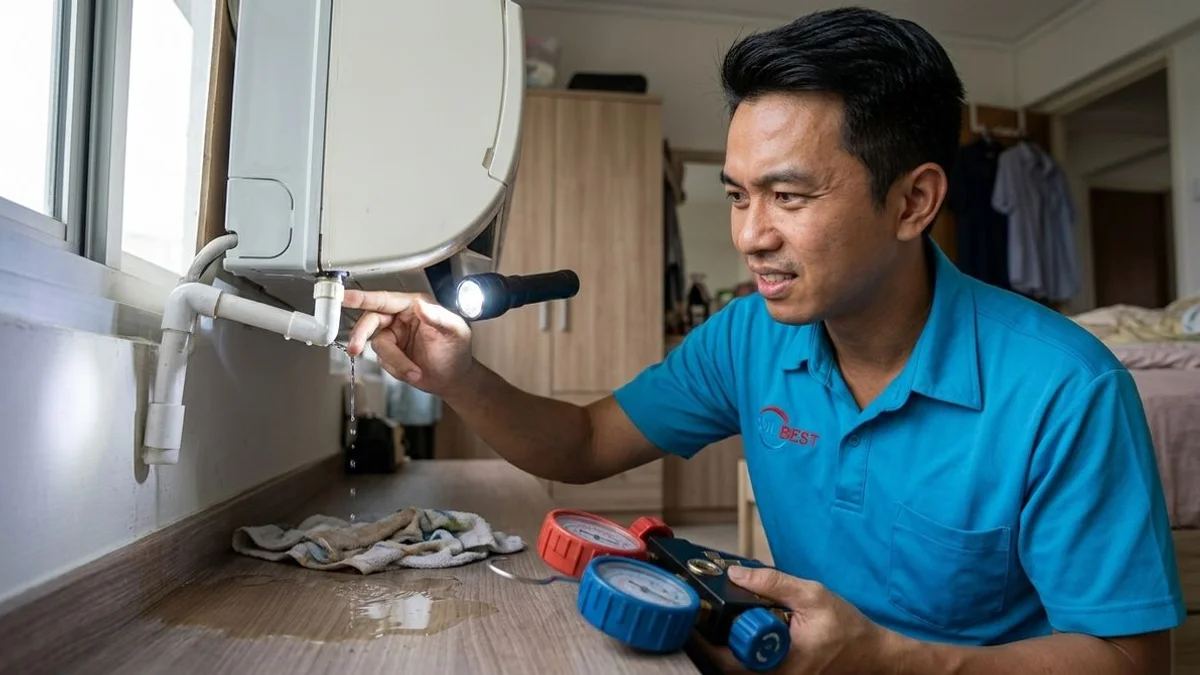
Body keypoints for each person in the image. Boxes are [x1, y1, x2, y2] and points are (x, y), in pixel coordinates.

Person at [342, 7, 1182, 674]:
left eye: (787, 195)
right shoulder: (748, 336)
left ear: (913, 202)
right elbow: (586, 441)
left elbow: (1130, 659)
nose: (749, 235)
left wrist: (892, 662)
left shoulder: (1067, 389)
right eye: (738, 195)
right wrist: (461, 378)